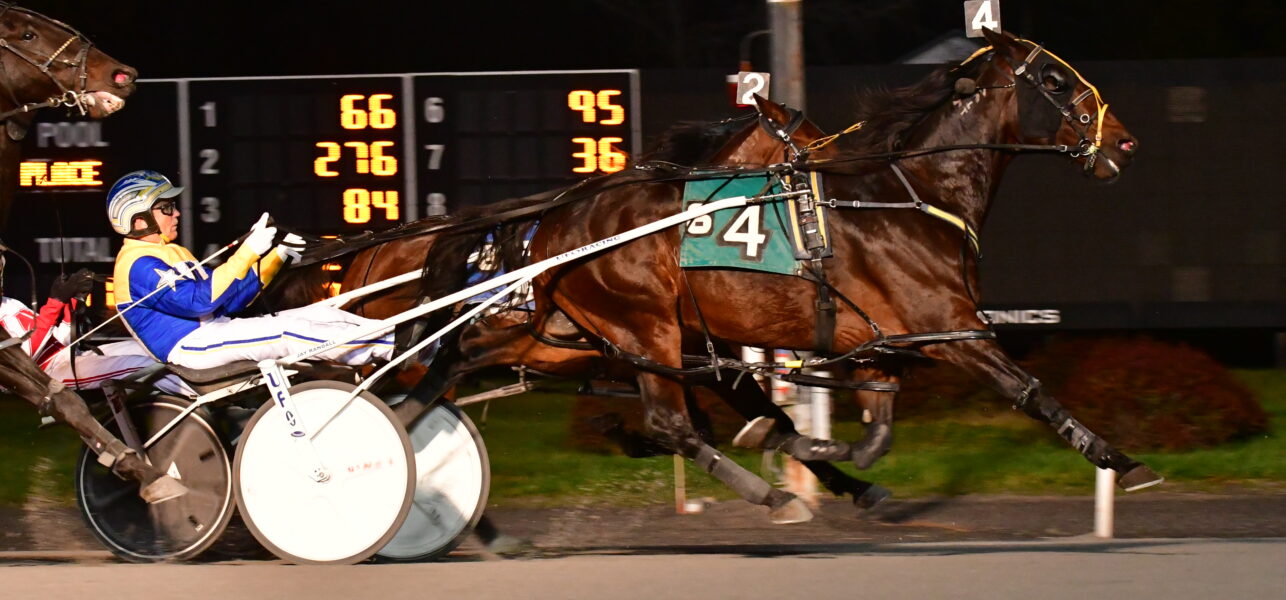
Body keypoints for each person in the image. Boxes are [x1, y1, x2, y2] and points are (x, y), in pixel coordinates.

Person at [108, 170, 394, 370]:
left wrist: (275, 258)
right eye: (167, 208)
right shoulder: (136, 264)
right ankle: (390, 349)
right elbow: (198, 302)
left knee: (322, 314)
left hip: (213, 331)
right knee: (288, 332)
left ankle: (394, 335)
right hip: (188, 347)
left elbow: (229, 302)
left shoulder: (172, 252)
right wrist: (248, 251)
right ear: (138, 219)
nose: (177, 213)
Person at [0, 245, 191, 395]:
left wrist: (73, 302)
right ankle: (198, 396)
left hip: (70, 356)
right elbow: (22, 359)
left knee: (153, 348)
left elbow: (60, 340)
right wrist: (56, 303)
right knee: (147, 367)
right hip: (47, 376)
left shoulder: (10, 303)